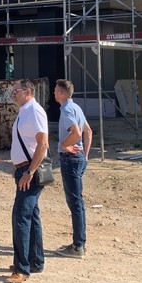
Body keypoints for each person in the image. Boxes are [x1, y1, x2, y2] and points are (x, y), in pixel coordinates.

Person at [5, 79, 49, 283]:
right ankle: (35, 261)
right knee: (31, 216)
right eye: (12, 91)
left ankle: (21, 268)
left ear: (28, 91)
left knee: (20, 218)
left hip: (29, 171)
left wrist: (29, 171)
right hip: (23, 169)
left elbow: (43, 144)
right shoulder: (25, 111)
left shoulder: (34, 111)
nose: (12, 94)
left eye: (16, 91)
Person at [54, 79, 92, 259]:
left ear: (62, 93)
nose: (54, 93)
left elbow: (77, 132)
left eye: (56, 91)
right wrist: (85, 155)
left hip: (70, 159)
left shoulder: (67, 109)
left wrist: (64, 145)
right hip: (79, 158)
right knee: (77, 202)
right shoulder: (76, 107)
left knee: (75, 203)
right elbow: (88, 132)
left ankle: (78, 246)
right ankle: (79, 242)